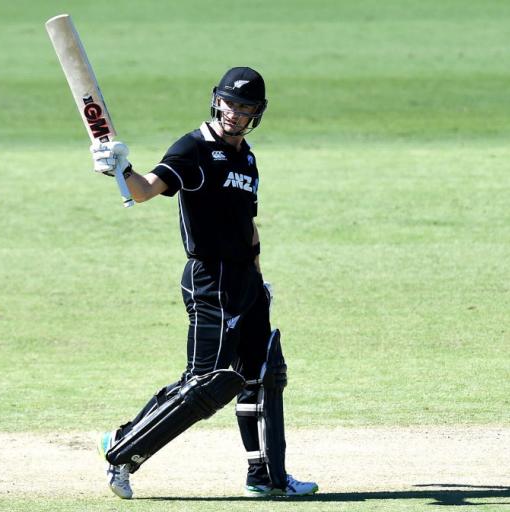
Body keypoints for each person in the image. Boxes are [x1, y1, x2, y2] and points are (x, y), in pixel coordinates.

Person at [90, 67, 318, 499]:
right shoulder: (193, 147)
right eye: (231, 104)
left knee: (263, 375)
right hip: (209, 279)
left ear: (257, 113)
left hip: (245, 281)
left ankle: (266, 478)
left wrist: (259, 280)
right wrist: (119, 168)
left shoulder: (246, 157)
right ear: (217, 101)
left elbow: (248, 224)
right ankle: (122, 448)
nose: (235, 113)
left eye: (246, 107)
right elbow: (144, 190)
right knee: (206, 383)